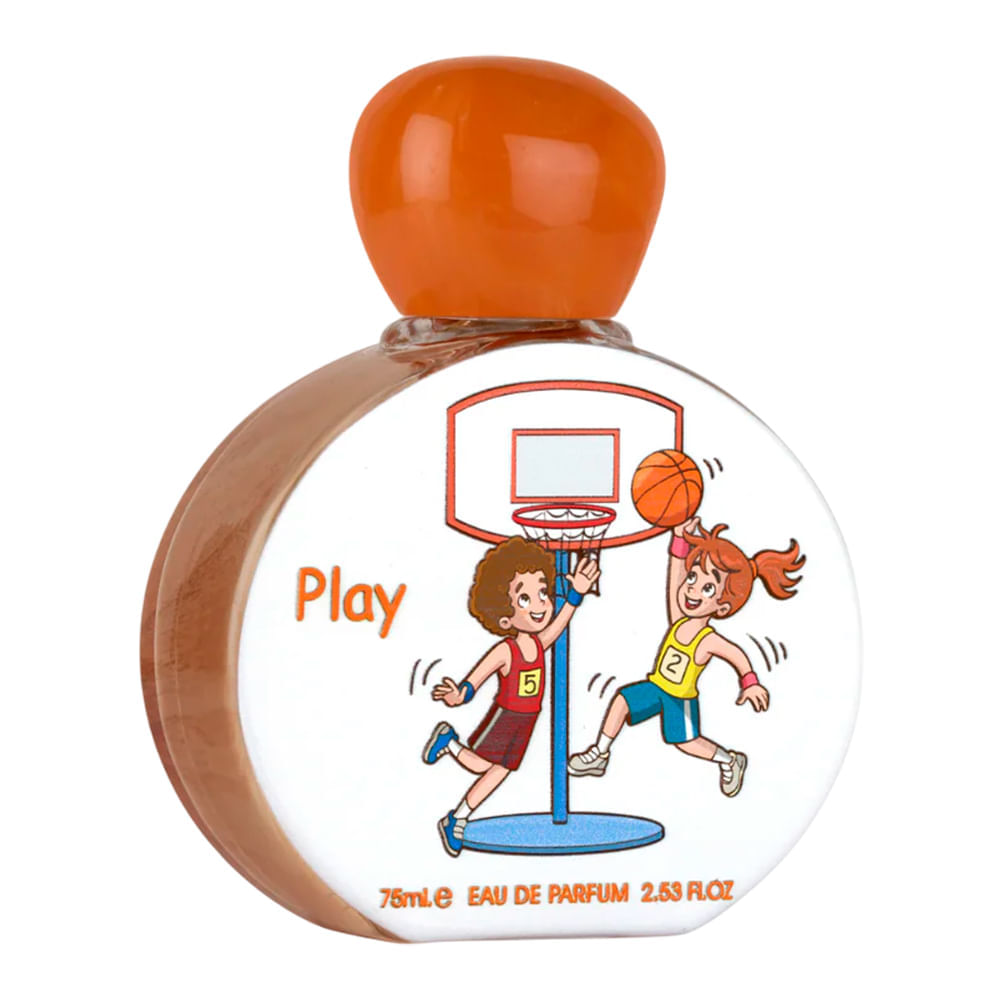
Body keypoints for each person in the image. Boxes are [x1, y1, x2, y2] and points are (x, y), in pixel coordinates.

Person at [569, 517, 803, 797]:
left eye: (707, 587)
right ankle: (600, 754)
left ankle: (729, 760)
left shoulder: (707, 639)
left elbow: (736, 655)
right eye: (693, 577)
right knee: (622, 700)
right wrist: (679, 538)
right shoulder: (679, 618)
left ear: (722, 606)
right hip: (656, 687)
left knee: (687, 743)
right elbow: (675, 574)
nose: (692, 587)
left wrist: (750, 682)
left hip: (681, 699)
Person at [422, 536, 599, 855]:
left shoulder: (539, 643)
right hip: (506, 717)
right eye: (525, 599)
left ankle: (457, 812)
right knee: (482, 767)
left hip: (527, 720)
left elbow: (560, 623)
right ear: (505, 616)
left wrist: (576, 595)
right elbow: (476, 678)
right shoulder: (507, 650)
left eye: (543, 593)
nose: (540, 604)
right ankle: (450, 756)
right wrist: (460, 694)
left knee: (497, 770)